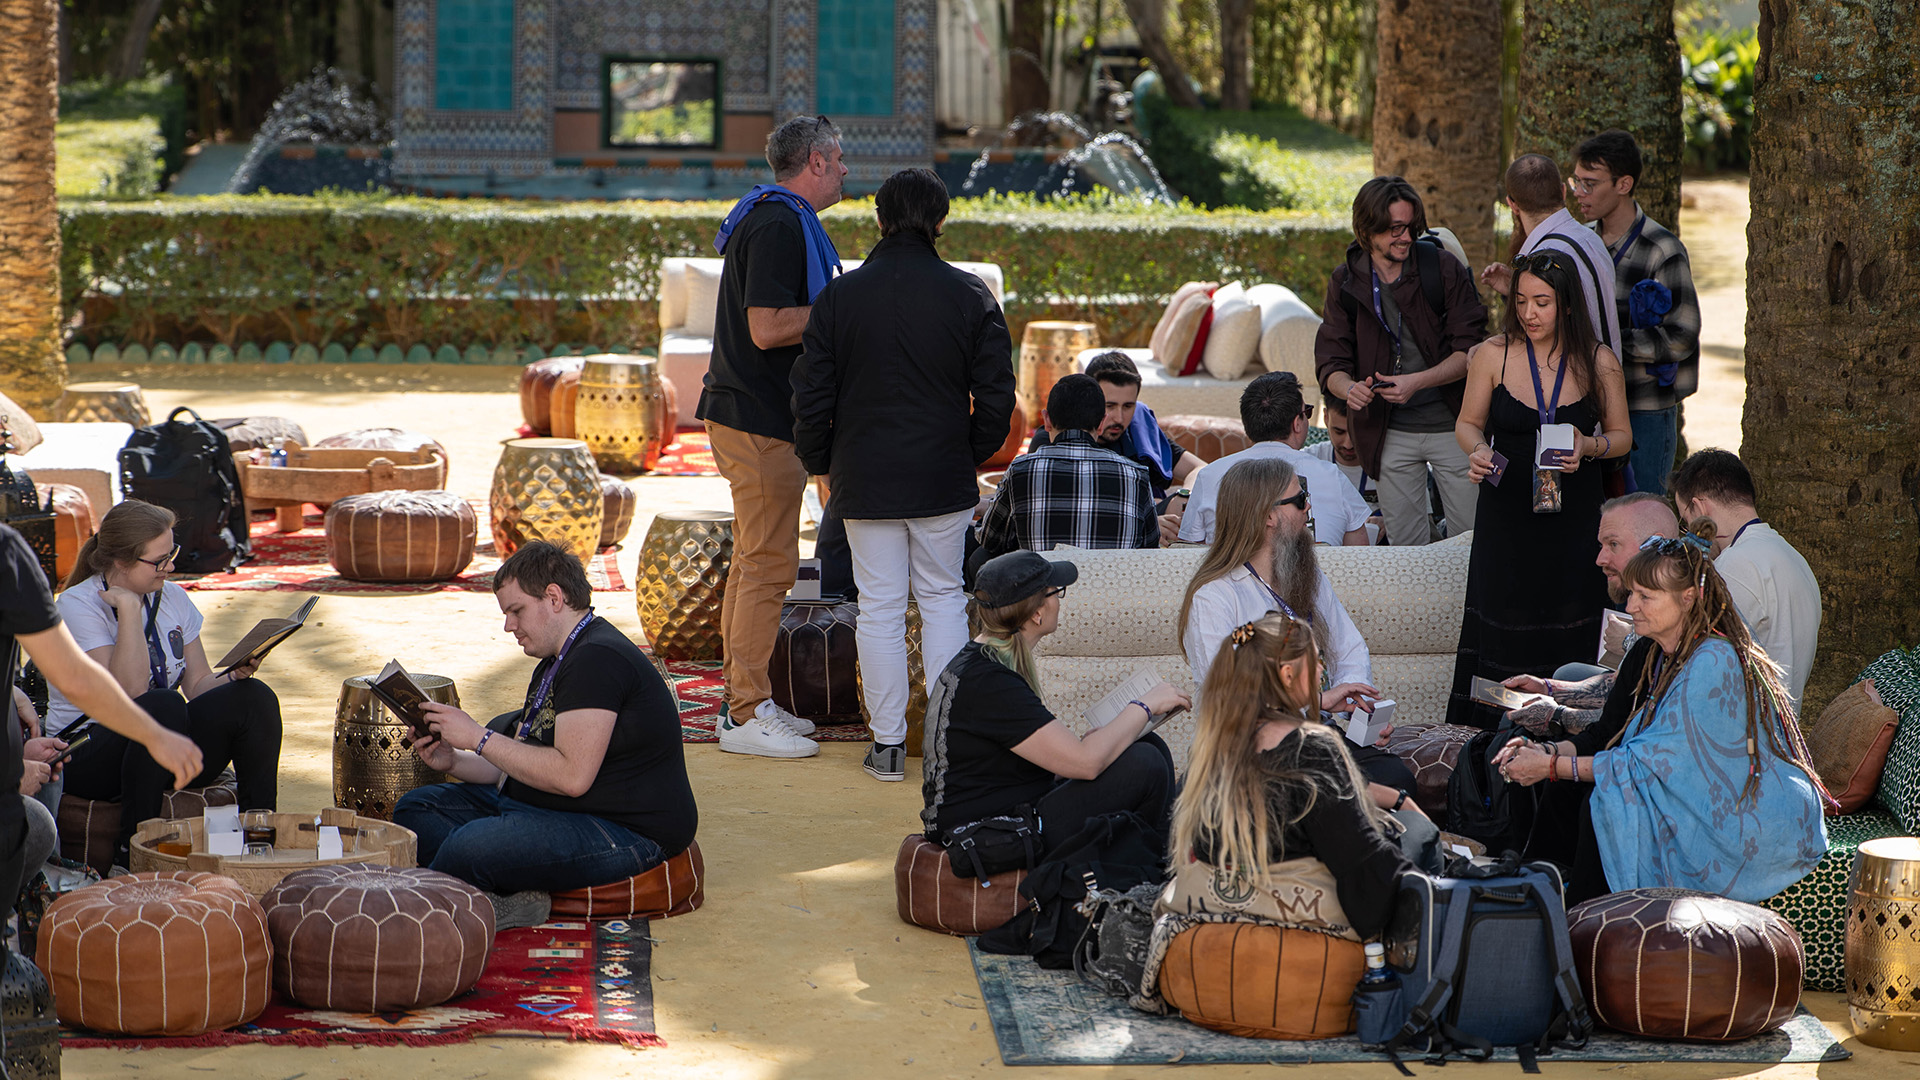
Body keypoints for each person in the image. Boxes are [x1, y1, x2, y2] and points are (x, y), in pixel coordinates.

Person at [791, 167, 1017, 782]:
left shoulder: (841, 296)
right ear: (940, 221)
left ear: (879, 219)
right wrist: (967, 451)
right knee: (943, 600)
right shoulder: (969, 294)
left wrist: (820, 462)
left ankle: (888, 745)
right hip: (941, 471)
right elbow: (998, 395)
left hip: (863, 475)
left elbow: (811, 394)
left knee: (880, 607)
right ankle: (944, 746)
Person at [1492, 529, 1831, 905]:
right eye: (1632, 594)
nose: (1630, 607)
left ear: (1688, 598)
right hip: (1691, 791)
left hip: (1741, 814)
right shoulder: (1656, 653)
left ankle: (1589, 924)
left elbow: (1647, 764)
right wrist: (1546, 754)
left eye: (1645, 596)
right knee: (1572, 793)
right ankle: (1542, 900)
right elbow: (1610, 734)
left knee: (1606, 807)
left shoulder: (1714, 661)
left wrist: (1550, 765)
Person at [394, 541, 699, 929]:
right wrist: (453, 760)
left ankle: (436, 906)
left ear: (554, 597)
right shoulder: (560, 658)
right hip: (552, 806)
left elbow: (571, 777)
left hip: (623, 830)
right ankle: (499, 895)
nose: (509, 626)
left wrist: (478, 737)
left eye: (516, 611)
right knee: (416, 811)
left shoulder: (597, 659)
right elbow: (521, 760)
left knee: (470, 846)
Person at [0, 520, 199, 996]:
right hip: (38, 775)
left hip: (24, 776)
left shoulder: (7, 555)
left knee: (35, 824)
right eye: (159, 559)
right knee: (34, 823)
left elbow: (77, 676)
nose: (169, 568)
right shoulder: (61, 589)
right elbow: (93, 682)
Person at [702, 115, 848, 759]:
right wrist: (844, 308)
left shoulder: (780, 218)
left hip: (754, 416)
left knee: (755, 562)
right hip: (758, 419)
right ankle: (744, 713)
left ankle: (746, 699)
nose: (845, 170)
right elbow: (765, 327)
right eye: (838, 159)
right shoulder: (779, 223)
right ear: (815, 161)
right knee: (767, 566)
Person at [1448, 250, 1632, 728]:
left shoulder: (1598, 360)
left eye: (1542, 303)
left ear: (1566, 305)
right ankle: (1491, 741)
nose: (1529, 313)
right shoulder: (1493, 354)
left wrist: (1588, 445)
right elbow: (1467, 423)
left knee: (1573, 624)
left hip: (1575, 522)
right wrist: (1478, 450)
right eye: (1521, 301)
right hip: (1505, 519)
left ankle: (1571, 735)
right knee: (1502, 629)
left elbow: (1622, 436)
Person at [52, 500, 283, 865]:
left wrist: (234, 675)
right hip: (89, 750)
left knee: (254, 697)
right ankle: (131, 853)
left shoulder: (172, 596)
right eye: (159, 561)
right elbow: (129, 695)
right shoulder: (77, 605)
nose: (171, 567)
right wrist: (130, 610)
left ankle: (259, 835)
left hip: (158, 746)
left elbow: (198, 684)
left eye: (171, 553)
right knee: (163, 704)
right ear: (121, 561)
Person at [1165, 612, 1414, 942]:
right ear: (1287, 674)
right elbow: (1364, 869)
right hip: (1298, 941)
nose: (1322, 671)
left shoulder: (1211, 749)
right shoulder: (1311, 749)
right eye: (1316, 660)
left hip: (1215, 935)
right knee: (1418, 839)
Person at [1177, 457, 1414, 798]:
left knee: (1394, 777)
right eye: (1300, 499)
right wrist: (1316, 700)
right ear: (1268, 516)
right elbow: (1230, 695)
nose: (1308, 507)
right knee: (1320, 792)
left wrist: (1360, 711)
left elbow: (1348, 647)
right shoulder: (1215, 596)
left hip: (1312, 735)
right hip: (1248, 749)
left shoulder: (1306, 573)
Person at [919, 551, 1187, 851]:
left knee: (1147, 744)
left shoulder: (984, 662)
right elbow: (1086, 763)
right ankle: (1154, 859)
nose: (1059, 600)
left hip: (1003, 811)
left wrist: (1111, 737)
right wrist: (1144, 706)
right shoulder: (990, 682)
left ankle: (1158, 857)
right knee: (1145, 764)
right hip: (989, 831)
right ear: (1037, 613)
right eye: (1055, 593)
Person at [1314, 176, 1487, 547]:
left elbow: (1472, 352)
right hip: (1387, 430)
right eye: (1395, 229)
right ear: (1367, 229)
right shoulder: (1346, 280)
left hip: (1453, 424)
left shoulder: (1441, 268)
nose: (1406, 237)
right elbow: (1330, 360)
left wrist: (1417, 382)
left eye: (1410, 227)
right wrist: (1350, 390)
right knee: (1407, 548)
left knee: (1471, 542)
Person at [1571, 130, 1701, 494]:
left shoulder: (1662, 249)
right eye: (1575, 181)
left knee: (1643, 509)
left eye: (1590, 184)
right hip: (1587, 405)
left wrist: (1607, 348)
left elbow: (1682, 335)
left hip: (1645, 408)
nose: (1578, 192)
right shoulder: (1579, 242)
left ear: (1624, 184)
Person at [1669, 448, 1821, 709]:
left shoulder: (1735, 565)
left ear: (1700, 507)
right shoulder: (1790, 555)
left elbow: (1692, 658)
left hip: (1745, 725)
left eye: (1686, 520)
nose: (1688, 533)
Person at [974, 374, 1160, 566]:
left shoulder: (1021, 470)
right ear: (1101, 423)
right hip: (1111, 584)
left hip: (1042, 584)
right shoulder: (1137, 475)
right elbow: (1150, 549)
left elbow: (991, 539)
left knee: (978, 557)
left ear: (1046, 420)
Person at [1177, 371, 1372, 547]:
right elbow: (1357, 558)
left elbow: (1189, 555)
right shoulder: (1331, 475)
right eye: (1307, 412)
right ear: (1297, 423)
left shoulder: (1209, 475)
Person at [1027, 352, 1204, 542]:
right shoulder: (1054, 438)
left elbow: (1200, 469)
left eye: (1128, 406)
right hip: (1102, 526)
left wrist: (1184, 495)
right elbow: (1068, 510)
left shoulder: (1139, 429)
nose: (1119, 418)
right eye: (1109, 406)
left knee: (1183, 505)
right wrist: (1145, 525)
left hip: (1147, 517)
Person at [1480, 155, 1621, 357]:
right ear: (1563, 191)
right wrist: (1515, 290)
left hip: (1570, 373)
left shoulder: (1543, 256)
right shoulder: (1592, 239)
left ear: (1512, 205)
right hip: (1609, 367)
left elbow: (1535, 341)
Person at [1307, 396, 1385, 541]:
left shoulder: (1393, 462)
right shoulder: (1309, 460)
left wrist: (1389, 522)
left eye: (1357, 432)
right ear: (1326, 418)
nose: (1348, 444)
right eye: (1339, 432)